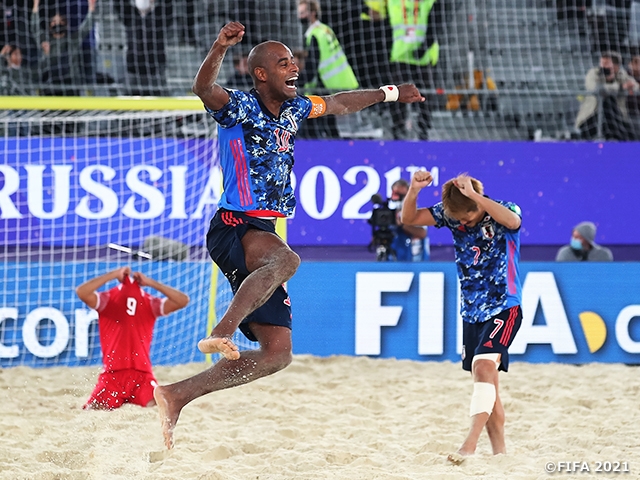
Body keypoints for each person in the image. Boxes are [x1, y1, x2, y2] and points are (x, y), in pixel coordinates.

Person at [152, 21, 425, 449]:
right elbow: (204, 88)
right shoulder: (239, 107)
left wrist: (389, 92)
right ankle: (222, 330)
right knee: (287, 261)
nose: (293, 66)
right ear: (261, 74)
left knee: (278, 354)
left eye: (294, 61)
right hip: (234, 224)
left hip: (262, 227)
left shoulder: (296, 108)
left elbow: (338, 103)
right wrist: (221, 48)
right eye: (283, 62)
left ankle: (176, 395)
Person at [402, 171, 523, 464]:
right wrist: (414, 190)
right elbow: (410, 219)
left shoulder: (502, 210)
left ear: (478, 203)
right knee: (487, 383)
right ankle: (500, 455)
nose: (462, 224)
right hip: (471, 311)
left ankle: (469, 445)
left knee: (483, 368)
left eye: (466, 219)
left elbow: (514, 222)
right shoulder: (453, 214)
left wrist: (476, 196)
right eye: (456, 219)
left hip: (504, 306)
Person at [76, 267, 189, 410]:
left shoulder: (110, 300)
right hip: (128, 375)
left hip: (126, 375)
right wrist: (151, 283)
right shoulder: (147, 302)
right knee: (160, 406)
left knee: (93, 410)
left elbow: (82, 292)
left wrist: (113, 274)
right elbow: (183, 300)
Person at [297, 0, 359, 138]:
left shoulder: (314, 35)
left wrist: (296, 84)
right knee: (328, 125)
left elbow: (312, 66)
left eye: (302, 13)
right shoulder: (325, 29)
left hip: (328, 84)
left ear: (312, 14)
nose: (300, 17)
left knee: (313, 122)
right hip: (341, 80)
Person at [383, 0, 441, 139]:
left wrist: (425, 47)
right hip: (401, 54)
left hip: (423, 55)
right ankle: (399, 127)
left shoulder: (429, 3)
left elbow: (437, 23)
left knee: (424, 94)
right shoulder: (393, 2)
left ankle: (424, 129)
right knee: (397, 94)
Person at [30, 0, 97, 96]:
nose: (57, 24)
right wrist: (35, 5)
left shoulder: (73, 40)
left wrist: (91, 7)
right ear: (49, 26)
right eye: (54, 22)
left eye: (60, 21)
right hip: (49, 83)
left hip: (70, 83)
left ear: (66, 24)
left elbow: (86, 27)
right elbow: (34, 27)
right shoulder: (44, 40)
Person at [575, 51, 639, 140]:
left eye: (605, 63)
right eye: (601, 62)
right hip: (592, 117)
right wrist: (621, 87)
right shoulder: (594, 73)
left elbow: (635, 86)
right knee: (608, 101)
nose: (602, 66)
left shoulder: (621, 74)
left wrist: (631, 85)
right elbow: (596, 89)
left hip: (616, 119)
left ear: (616, 67)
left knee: (632, 134)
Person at [113, 0, 173, 96]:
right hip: (133, 71)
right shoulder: (130, 16)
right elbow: (119, 4)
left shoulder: (159, 16)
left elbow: (168, 5)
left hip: (155, 71)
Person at [389, 179, 429, 261]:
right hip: (393, 258)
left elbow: (422, 233)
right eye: (396, 194)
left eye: (402, 195)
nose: (398, 198)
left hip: (414, 259)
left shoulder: (417, 211)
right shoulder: (389, 213)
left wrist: (403, 224)